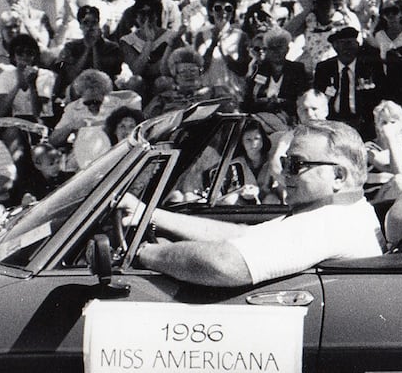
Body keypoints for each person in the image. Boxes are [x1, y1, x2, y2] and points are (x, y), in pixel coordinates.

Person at [126, 120, 383, 288]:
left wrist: (146, 254)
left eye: (295, 165)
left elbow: (225, 264)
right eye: (284, 164)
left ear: (338, 176)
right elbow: (242, 234)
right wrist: (147, 215)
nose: (283, 174)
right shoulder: (344, 210)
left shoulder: (330, 223)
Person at [312, 26, 382, 136]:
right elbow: (318, 98)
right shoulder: (324, 68)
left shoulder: (370, 67)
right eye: (342, 43)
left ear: (358, 45)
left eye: (350, 43)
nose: (347, 48)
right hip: (333, 122)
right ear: (335, 47)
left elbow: (379, 95)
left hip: (362, 122)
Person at [286, 0, 361, 70]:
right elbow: (285, 34)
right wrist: (308, 8)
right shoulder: (310, 19)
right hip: (315, 71)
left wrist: (343, 6)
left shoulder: (345, 19)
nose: (324, 3)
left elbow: (357, 40)